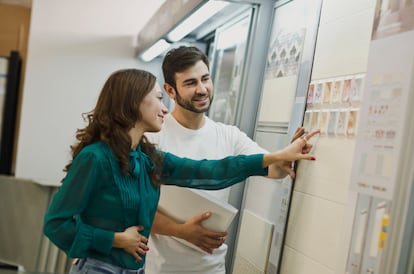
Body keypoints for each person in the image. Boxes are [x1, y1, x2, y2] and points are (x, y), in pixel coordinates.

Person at [43, 68, 317, 274]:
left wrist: (277, 156)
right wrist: (114, 239)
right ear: (134, 102)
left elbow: (210, 170)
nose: (164, 108)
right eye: (159, 99)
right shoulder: (96, 158)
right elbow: (56, 224)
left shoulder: (147, 157)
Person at [145, 46, 317, 274]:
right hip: (162, 269)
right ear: (170, 90)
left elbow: (274, 170)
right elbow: (138, 209)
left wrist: (288, 153)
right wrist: (180, 230)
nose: (202, 89)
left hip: (212, 268)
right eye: (190, 83)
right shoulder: (153, 136)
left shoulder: (229, 135)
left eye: (205, 79)